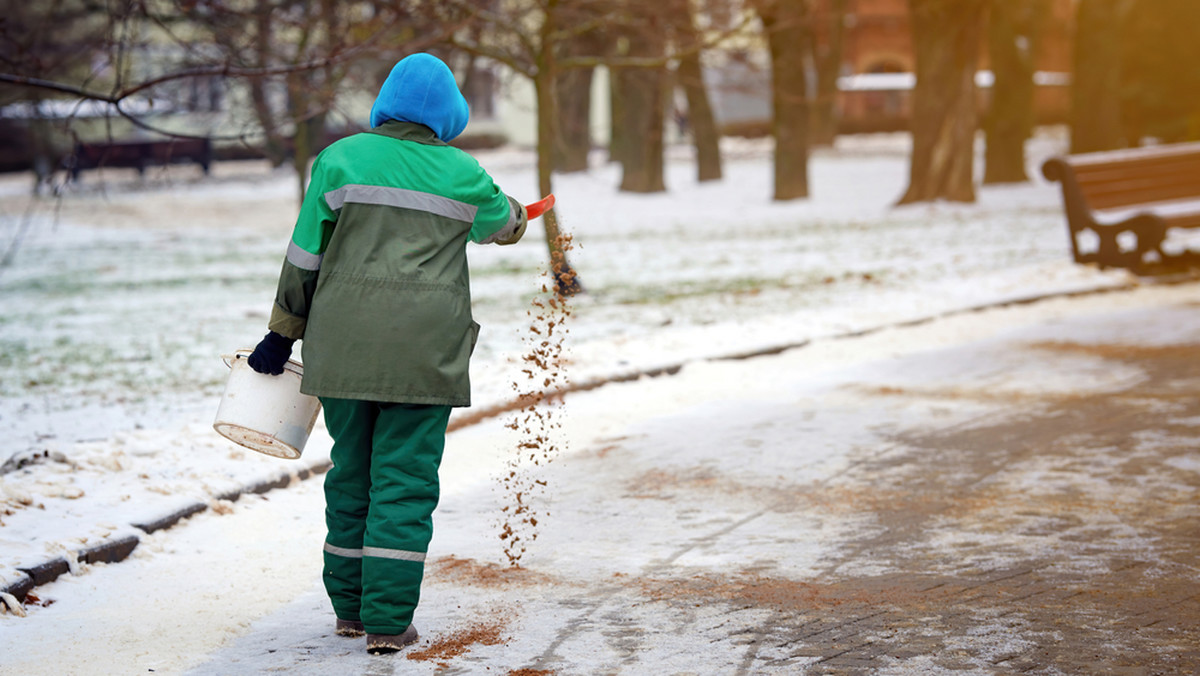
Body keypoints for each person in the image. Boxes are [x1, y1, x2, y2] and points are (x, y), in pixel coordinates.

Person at [245, 52, 528, 655]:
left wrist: (283, 330)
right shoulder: (462, 172)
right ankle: (387, 622)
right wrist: (525, 215)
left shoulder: (340, 159)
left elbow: (304, 255)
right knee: (403, 480)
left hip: (342, 349)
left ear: (384, 104)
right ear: (451, 114)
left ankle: (349, 610)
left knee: (352, 473)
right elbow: (503, 224)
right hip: (424, 355)